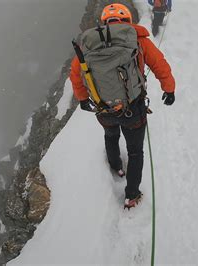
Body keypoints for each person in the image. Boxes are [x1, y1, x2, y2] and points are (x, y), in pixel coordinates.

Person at [70, 3, 175, 209]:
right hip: (133, 109)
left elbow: (76, 75)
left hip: (103, 108)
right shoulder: (138, 39)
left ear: (104, 22)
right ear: (127, 20)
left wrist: (83, 99)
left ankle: (116, 165)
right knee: (135, 152)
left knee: (110, 135)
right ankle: (132, 195)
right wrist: (169, 89)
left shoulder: (88, 45)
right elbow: (159, 64)